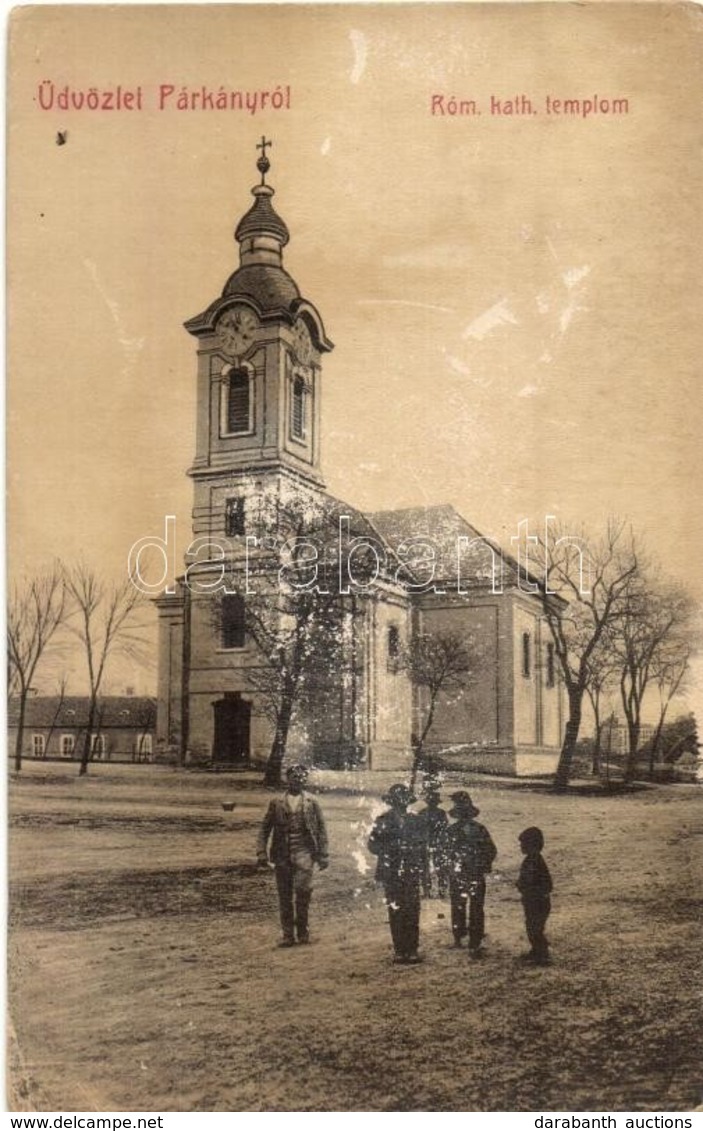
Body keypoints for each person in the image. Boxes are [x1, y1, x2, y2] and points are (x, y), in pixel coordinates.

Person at [256, 764, 329, 947]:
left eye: (302, 777)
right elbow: (265, 828)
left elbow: (321, 830)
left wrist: (323, 854)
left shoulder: (312, 802)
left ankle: (303, 931)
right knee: (284, 895)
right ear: (287, 779)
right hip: (282, 855)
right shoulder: (276, 803)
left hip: (304, 853)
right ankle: (288, 935)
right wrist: (261, 852)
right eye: (294, 777)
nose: (298, 780)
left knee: (303, 892)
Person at [367, 783, 427, 965]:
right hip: (391, 872)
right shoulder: (383, 820)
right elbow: (372, 845)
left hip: (411, 871)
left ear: (408, 802)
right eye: (397, 800)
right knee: (396, 910)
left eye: (404, 800)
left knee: (412, 909)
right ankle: (400, 950)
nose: (401, 803)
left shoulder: (416, 821)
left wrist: (422, 869)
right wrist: (389, 849)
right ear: (392, 802)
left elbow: (423, 847)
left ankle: (413, 949)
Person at [444, 790, 497, 958]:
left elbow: (490, 850)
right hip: (469, 874)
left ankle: (465, 938)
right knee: (471, 906)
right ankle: (469, 939)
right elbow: (491, 850)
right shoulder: (476, 829)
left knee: (464, 906)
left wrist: (481, 864)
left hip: (464, 874)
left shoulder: (454, 830)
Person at [517, 826, 553, 966]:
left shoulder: (533, 861)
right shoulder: (533, 860)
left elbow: (544, 884)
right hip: (535, 901)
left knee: (534, 928)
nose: (521, 847)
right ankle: (537, 950)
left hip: (536, 902)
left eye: (523, 844)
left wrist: (525, 887)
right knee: (533, 927)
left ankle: (542, 953)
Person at [416, 785, 449, 899]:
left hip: (430, 842)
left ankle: (429, 891)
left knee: (430, 868)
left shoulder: (423, 813)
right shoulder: (440, 813)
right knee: (437, 868)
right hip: (434, 843)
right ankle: (437, 891)